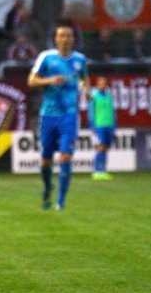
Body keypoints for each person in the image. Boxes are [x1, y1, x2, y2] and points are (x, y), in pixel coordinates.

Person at [28, 20, 90, 211]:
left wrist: (86, 89)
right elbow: (31, 81)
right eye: (61, 35)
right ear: (55, 39)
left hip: (69, 116)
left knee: (65, 157)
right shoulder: (46, 57)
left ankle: (61, 201)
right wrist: (50, 80)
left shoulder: (80, 60)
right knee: (46, 159)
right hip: (48, 115)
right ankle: (48, 187)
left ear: (74, 39)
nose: (65, 39)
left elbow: (83, 78)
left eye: (69, 36)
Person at [88, 76, 116, 180]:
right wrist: (92, 125)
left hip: (109, 125)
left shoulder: (109, 96)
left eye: (104, 83)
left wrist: (114, 125)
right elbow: (91, 111)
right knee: (100, 147)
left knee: (106, 148)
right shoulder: (94, 96)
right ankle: (97, 171)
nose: (102, 85)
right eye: (100, 83)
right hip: (99, 125)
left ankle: (103, 170)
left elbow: (112, 111)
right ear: (97, 84)